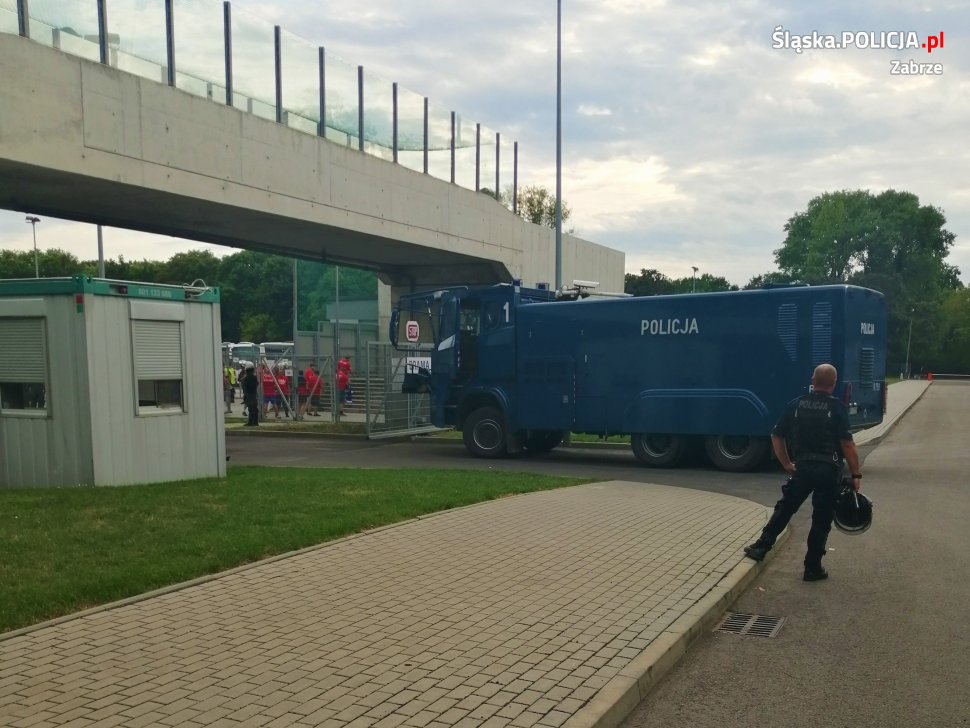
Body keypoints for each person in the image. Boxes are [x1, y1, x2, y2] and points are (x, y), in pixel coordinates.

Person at [743, 363, 862, 582]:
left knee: (786, 508)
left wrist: (787, 464)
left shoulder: (795, 405)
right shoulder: (837, 408)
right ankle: (812, 568)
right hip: (829, 470)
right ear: (833, 384)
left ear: (812, 380)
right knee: (821, 519)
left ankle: (761, 547)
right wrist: (855, 475)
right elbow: (847, 445)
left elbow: (776, 436)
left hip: (803, 467)